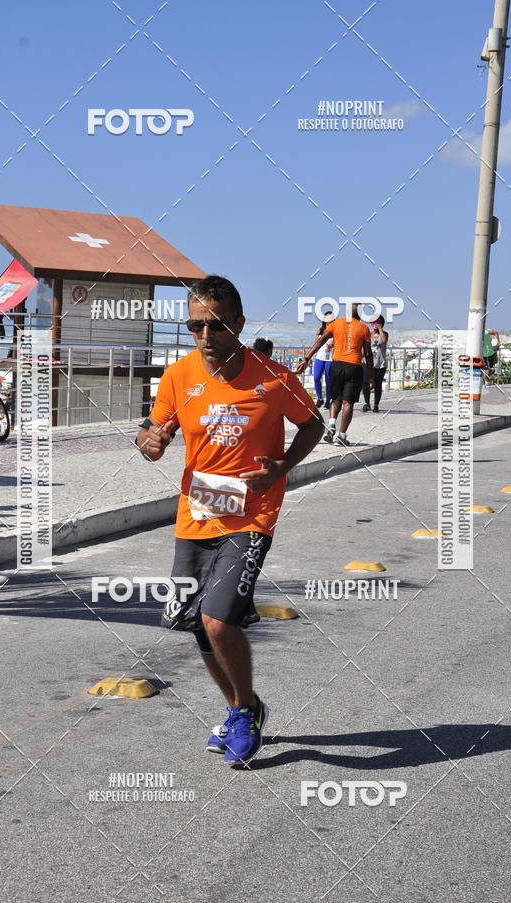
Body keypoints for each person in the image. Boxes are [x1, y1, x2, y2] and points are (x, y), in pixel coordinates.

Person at [135, 275, 323, 767]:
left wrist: (283, 466)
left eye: (215, 326)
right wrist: (149, 442)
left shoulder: (274, 377)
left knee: (218, 618)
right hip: (196, 512)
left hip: (252, 514)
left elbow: (312, 423)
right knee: (195, 624)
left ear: (238, 324)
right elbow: (153, 427)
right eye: (195, 326)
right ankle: (243, 707)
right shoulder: (179, 376)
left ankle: (244, 711)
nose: (204, 336)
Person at [296, 302, 373, 447]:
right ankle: (341, 436)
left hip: (336, 365)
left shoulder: (336, 323)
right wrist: (370, 374)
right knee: (348, 402)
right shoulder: (364, 328)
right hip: (354, 366)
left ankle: (331, 424)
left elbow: (322, 339)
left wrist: (307, 358)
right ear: (361, 314)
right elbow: (368, 353)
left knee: (335, 398)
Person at [362, 315, 389, 412]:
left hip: (380, 363)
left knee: (378, 384)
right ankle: (367, 403)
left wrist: (380, 328)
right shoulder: (368, 334)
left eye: (377, 321)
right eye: (373, 322)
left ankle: (376, 405)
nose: (375, 324)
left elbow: (384, 340)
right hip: (367, 362)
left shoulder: (385, 334)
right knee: (365, 383)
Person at [311, 322, 333, 408]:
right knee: (316, 378)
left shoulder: (334, 330)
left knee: (328, 380)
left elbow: (339, 343)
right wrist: (310, 358)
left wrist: (333, 345)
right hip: (319, 358)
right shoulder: (320, 330)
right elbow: (315, 344)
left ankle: (328, 399)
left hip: (330, 359)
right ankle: (320, 398)